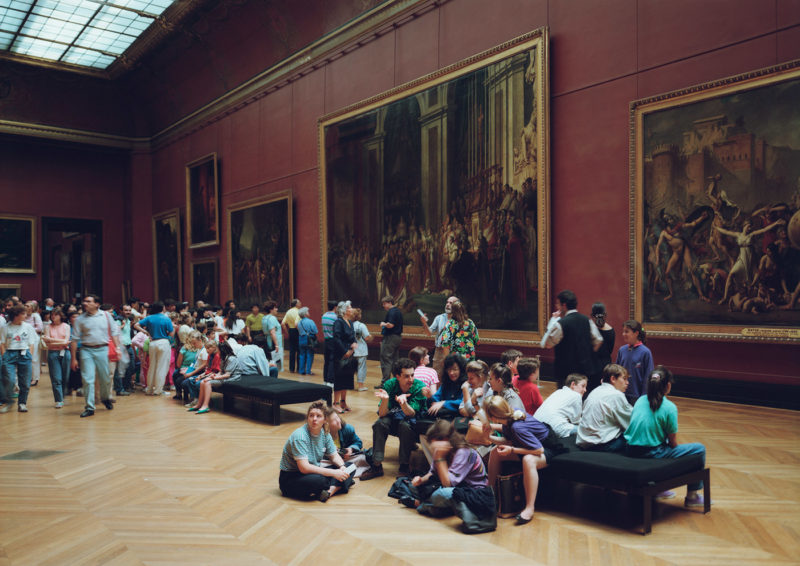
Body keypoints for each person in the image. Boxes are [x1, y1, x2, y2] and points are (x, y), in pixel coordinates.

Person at [625, 366, 709, 507]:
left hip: (631, 449)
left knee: (660, 444)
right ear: (668, 386)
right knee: (699, 449)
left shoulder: (640, 400)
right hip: (651, 452)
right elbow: (672, 443)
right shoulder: (669, 407)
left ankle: (659, 489)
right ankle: (692, 496)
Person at [407, 420, 495, 533]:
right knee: (412, 487)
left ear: (445, 439)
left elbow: (448, 484)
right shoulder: (440, 450)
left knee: (441, 494)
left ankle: (423, 505)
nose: (433, 447)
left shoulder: (464, 452)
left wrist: (440, 458)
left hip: (472, 491)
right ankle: (437, 507)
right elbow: (432, 473)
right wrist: (420, 480)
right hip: (454, 486)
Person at [484, 396, 550, 524]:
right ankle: (489, 494)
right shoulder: (510, 416)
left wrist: (512, 450)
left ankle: (530, 508)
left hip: (547, 447)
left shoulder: (517, 427)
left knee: (528, 460)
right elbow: (508, 441)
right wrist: (488, 436)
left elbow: (539, 450)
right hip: (531, 446)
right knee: (495, 452)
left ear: (493, 417)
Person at [361, 358, 427, 480]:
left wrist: (403, 403)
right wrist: (385, 400)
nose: (411, 379)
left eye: (412, 375)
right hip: (393, 418)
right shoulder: (390, 385)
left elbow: (411, 414)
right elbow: (382, 414)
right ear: (397, 376)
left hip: (411, 421)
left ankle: (404, 466)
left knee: (405, 426)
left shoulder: (419, 387)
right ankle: (376, 465)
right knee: (379, 424)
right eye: (406, 376)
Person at [279, 400, 354, 501]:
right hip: (291, 478)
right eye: (311, 415)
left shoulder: (324, 433)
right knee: (320, 480)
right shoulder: (300, 436)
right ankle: (341, 483)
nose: (314, 419)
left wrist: (342, 467)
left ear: (325, 420)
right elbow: (304, 468)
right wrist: (334, 473)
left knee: (350, 467)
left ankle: (330, 491)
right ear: (307, 418)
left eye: (318, 416)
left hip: (311, 472)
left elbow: (334, 455)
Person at [70, 295, 121, 418]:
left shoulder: (106, 316)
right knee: (87, 379)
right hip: (86, 350)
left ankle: (105, 398)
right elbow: (74, 340)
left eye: (88, 301)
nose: (85, 303)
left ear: (97, 304)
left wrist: (117, 348)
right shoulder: (80, 319)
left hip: (103, 349)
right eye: (84, 301)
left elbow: (114, 332)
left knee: (105, 378)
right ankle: (89, 407)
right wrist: (73, 359)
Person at [540, 289, 603, 388]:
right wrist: (588, 355)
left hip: (565, 373)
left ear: (564, 305)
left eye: (558, 304)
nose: (557, 307)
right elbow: (598, 340)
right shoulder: (587, 320)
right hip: (585, 371)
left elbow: (547, 344)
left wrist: (552, 321)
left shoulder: (560, 324)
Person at [576, 364, 632, 452]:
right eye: (624, 378)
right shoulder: (616, 395)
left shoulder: (595, 390)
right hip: (602, 445)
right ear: (613, 379)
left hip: (584, 442)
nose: (627, 382)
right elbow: (631, 423)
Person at [133, 301, 174, 396]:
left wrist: (146, 332)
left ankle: (149, 388)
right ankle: (158, 390)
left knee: (152, 366)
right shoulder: (166, 318)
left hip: (152, 342)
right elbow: (171, 333)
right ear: (162, 308)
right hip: (163, 342)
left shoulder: (149, 318)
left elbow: (136, 325)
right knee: (162, 367)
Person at [0, 305, 36, 413]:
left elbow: (31, 343)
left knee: (24, 382)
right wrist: (4, 355)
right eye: (23, 313)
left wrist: (29, 355)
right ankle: (8, 400)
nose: (26, 315)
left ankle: (22, 403)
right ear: (16, 315)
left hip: (24, 354)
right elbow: (2, 343)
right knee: (9, 380)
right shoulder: (5, 327)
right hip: (10, 354)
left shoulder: (28, 327)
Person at [189, 341, 239, 414]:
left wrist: (213, 378)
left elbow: (228, 375)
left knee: (207, 383)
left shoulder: (231, 359)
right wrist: (213, 376)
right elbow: (221, 372)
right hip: (224, 376)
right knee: (203, 382)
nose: (217, 351)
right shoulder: (223, 358)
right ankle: (199, 404)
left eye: (218, 350)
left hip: (232, 378)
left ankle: (206, 406)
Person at [323, 406, 372, 478]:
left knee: (367, 455)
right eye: (334, 420)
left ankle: (340, 473)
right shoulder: (321, 435)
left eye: (337, 417)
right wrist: (329, 451)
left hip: (347, 459)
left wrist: (351, 449)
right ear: (327, 424)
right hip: (329, 461)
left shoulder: (347, 428)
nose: (338, 421)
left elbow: (358, 442)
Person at [533, 373, 587, 437]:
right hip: (552, 429)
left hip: (535, 427)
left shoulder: (558, 391)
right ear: (573, 384)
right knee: (589, 431)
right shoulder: (576, 395)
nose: (585, 390)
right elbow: (576, 420)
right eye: (583, 386)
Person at [615, 319, 654, 405]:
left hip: (637, 395)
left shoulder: (645, 352)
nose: (623, 334)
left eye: (626, 332)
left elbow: (648, 376)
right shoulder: (622, 350)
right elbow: (616, 371)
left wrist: (644, 396)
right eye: (623, 332)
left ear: (636, 333)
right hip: (622, 393)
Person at [418, 295, 458, 376]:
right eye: (447, 302)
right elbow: (429, 333)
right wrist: (424, 323)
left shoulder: (460, 319)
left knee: (452, 375)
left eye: (451, 303)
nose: (447, 304)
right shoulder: (439, 318)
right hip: (439, 351)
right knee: (437, 375)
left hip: (454, 351)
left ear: (457, 306)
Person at [42, 307, 71, 408]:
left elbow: (67, 341)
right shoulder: (47, 327)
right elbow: (46, 342)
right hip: (53, 353)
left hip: (65, 352)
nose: (53, 317)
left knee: (65, 377)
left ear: (60, 316)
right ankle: (59, 399)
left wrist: (51, 339)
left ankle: (62, 396)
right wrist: (61, 341)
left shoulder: (66, 326)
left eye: (56, 314)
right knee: (56, 377)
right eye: (52, 315)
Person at [427, 353, 467, 418]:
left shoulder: (466, 384)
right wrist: (430, 397)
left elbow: (463, 402)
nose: (451, 373)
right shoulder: (446, 383)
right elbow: (436, 398)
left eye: (455, 369)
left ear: (461, 370)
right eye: (449, 369)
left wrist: (444, 403)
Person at [589, 302, 615, 394]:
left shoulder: (590, 330)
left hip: (592, 366)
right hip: (606, 367)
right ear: (605, 315)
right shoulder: (611, 330)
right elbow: (610, 350)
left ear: (592, 315)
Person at [378, 296, 403, 385]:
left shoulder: (392, 312)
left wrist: (383, 324)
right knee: (395, 360)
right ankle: (397, 381)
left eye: (384, 303)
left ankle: (385, 383)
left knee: (386, 359)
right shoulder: (398, 311)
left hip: (390, 337)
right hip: (397, 337)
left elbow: (390, 325)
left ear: (389, 303)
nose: (383, 306)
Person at [351, 308, 372, 391]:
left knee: (351, 368)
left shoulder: (347, 324)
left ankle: (350, 385)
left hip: (351, 350)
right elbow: (367, 337)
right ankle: (360, 386)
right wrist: (371, 337)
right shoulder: (361, 325)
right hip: (361, 350)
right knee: (361, 368)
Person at [261, 300, 283, 372]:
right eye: (275, 308)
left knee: (270, 360)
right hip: (274, 342)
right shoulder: (272, 318)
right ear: (271, 309)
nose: (276, 309)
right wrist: (276, 345)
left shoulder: (264, 318)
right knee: (276, 363)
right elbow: (272, 332)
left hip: (268, 341)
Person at [281, 298, 302, 373]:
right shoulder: (298, 312)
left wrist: (287, 332)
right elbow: (297, 323)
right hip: (297, 331)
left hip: (291, 330)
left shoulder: (288, 311)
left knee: (292, 351)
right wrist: (301, 332)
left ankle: (291, 368)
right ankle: (299, 368)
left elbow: (283, 324)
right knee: (299, 350)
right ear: (296, 304)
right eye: (299, 302)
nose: (300, 303)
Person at [321, 301, 338, 386]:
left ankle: (325, 380)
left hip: (326, 340)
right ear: (335, 307)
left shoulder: (324, 316)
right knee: (332, 361)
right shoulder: (335, 317)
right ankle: (331, 381)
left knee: (326, 361)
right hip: (333, 340)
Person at [297, 307, 318, 376]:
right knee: (309, 355)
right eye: (308, 312)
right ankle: (308, 371)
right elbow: (315, 331)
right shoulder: (310, 321)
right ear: (305, 314)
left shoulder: (299, 322)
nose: (309, 313)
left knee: (302, 355)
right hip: (309, 340)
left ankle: (301, 370)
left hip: (301, 339)